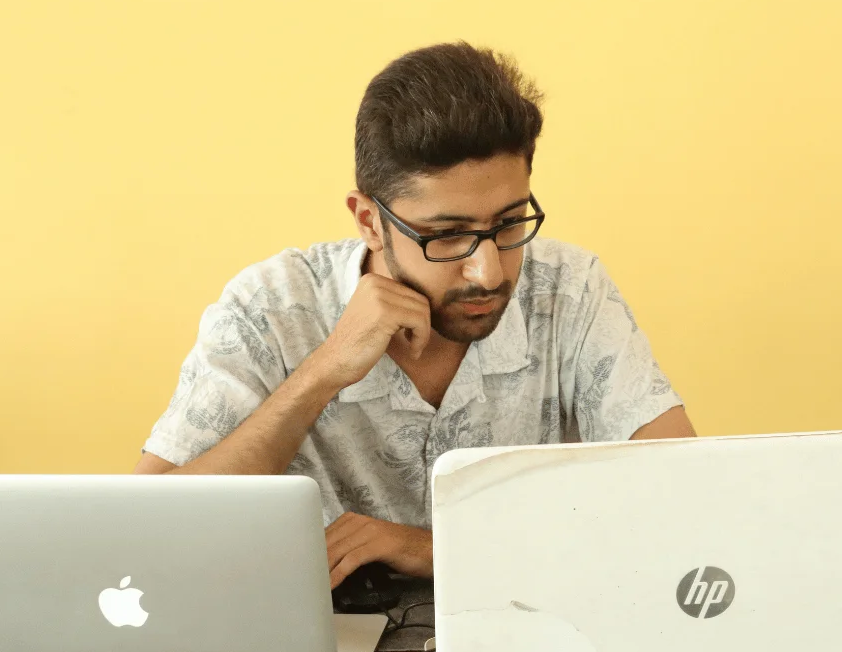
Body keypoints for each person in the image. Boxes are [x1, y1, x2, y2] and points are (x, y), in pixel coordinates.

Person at [134, 42, 696, 588]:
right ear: (369, 221)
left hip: (534, 640)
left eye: (508, 224)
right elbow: (147, 533)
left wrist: (432, 549)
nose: (489, 272)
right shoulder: (271, 309)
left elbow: (687, 503)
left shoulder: (569, 291)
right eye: (446, 236)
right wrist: (322, 372)